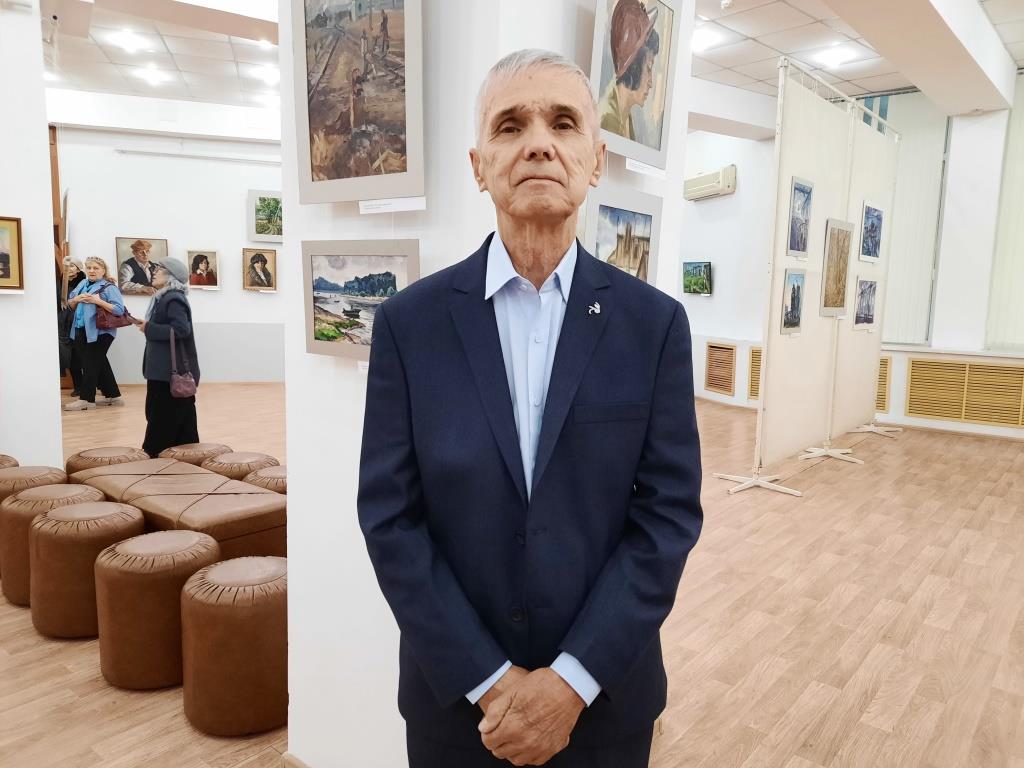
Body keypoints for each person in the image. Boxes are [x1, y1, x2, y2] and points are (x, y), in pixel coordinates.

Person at [358, 49, 703, 768]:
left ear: (595, 160)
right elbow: (391, 517)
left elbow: (666, 517)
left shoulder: (654, 326)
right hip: (459, 709)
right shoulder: (409, 325)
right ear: (479, 165)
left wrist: (570, 683)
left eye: (563, 123)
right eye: (510, 125)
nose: (539, 142)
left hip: (604, 706)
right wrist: (490, 681)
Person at [136, 258, 201, 458]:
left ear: (171, 275)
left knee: (161, 418)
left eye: (159, 269)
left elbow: (181, 329)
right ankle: (187, 458)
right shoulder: (164, 297)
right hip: (165, 371)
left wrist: (149, 328)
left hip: (169, 373)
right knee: (181, 420)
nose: (154, 271)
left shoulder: (173, 298)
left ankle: (154, 458)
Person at [64, 257, 127, 411]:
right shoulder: (82, 284)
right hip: (81, 330)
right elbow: (70, 304)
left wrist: (97, 301)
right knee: (99, 362)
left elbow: (119, 310)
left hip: (102, 332)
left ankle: (86, 400)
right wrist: (76, 299)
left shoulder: (109, 287)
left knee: (90, 364)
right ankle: (113, 396)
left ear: (103, 270)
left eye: (96, 268)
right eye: (89, 268)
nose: (91, 271)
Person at [599, 0, 660, 142]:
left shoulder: (625, 116)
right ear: (634, 66)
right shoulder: (608, 120)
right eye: (648, 67)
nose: (650, 83)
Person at [58, 257, 86, 396]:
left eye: (72, 266)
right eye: (66, 266)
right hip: (63, 324)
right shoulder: (59, 283)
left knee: (80, 355)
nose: (68, 268)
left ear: (78, 269)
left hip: (79, 322)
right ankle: (78, 386)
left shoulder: (84, 283)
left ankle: (92, 385)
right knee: (68, 356)